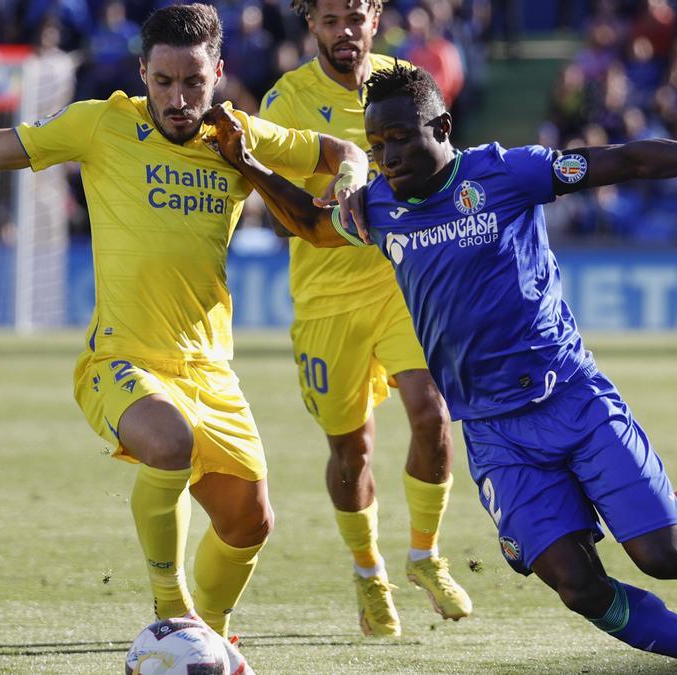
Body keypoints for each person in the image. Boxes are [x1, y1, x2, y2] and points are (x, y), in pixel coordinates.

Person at [201, 64, 677, 673]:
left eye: (400, 140)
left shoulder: (506, 173)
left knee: (667, 558)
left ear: (441, 126)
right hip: (495, 434)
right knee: (579, 587)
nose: (386, 157)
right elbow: (308, 223)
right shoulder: (377, 206)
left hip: (572, 397)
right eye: (376, 144)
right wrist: (248, 164)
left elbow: (624, 161)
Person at [0, 3, 369, 643]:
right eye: (163, 81)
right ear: (142, 73)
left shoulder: (239, 137)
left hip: (210, 369)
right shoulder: (102, 124)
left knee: (251, 524)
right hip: (121, 361)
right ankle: (173, 607)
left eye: (193, 82)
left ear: (218, 73)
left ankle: (206, 638)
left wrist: (352, 183)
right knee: (167, 443)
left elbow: (342, 152)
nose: (179, 97)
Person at [257, 0, 469, 636]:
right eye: (328, 21)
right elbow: (278, 210)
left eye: (353, 17)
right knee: (352, 451)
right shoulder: (287, 100)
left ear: (374, 17)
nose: (342, 32)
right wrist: (335, 202)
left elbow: (445, 169)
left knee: (432, 414)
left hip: (402, 287)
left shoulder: (405, 85)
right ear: (311, 26)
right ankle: (368, 572)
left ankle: (426, 556)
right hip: (326, 304)